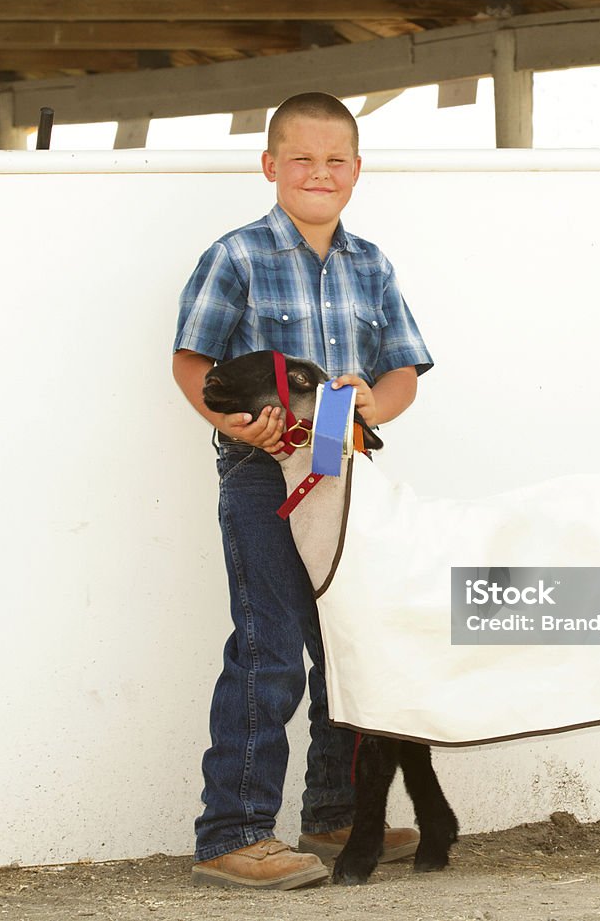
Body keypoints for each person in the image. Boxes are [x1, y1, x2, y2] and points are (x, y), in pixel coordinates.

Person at [172, 92, 434, 890]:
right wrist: (239, 423)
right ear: (269, 166)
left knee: (343, 641)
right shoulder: (238, 255)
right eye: (302, 159)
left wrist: (374, 405)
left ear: (356, 171)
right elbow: (192, 363)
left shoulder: (373, 264)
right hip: (263, 478)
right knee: (271, 643)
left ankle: (331, 812)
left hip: (347, 478)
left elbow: (401, 371)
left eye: (336, 161)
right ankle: (233, 831)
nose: (319, 173)